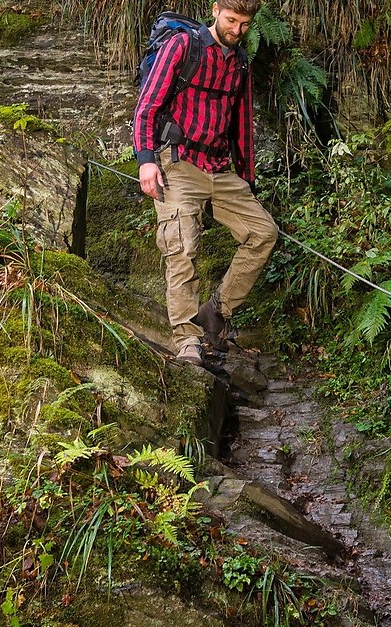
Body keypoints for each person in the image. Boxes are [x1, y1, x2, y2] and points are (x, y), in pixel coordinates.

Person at [133, 0, 278, 367]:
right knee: (181, 249)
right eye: (232, 21)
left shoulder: (241, 63)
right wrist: (147, 161)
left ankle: (216, 311)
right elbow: (147, 106)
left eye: (245, 24)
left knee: (263, 232)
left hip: (219, 168)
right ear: (215, 11)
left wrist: (246, 179)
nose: (237, 30)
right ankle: (187, 340)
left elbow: (242, 125)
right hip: (178, 163)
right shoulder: (183, 46)